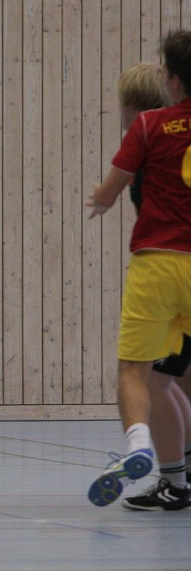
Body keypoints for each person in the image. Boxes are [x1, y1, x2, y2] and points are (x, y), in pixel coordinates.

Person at [86, 34, 191, 507]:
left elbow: (107, 194)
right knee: (178, 380)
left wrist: (98, 197)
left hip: (162, 263)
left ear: (172, 84)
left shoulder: (149, 130)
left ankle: (152, 458)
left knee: (145, 377)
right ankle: (178, 477)